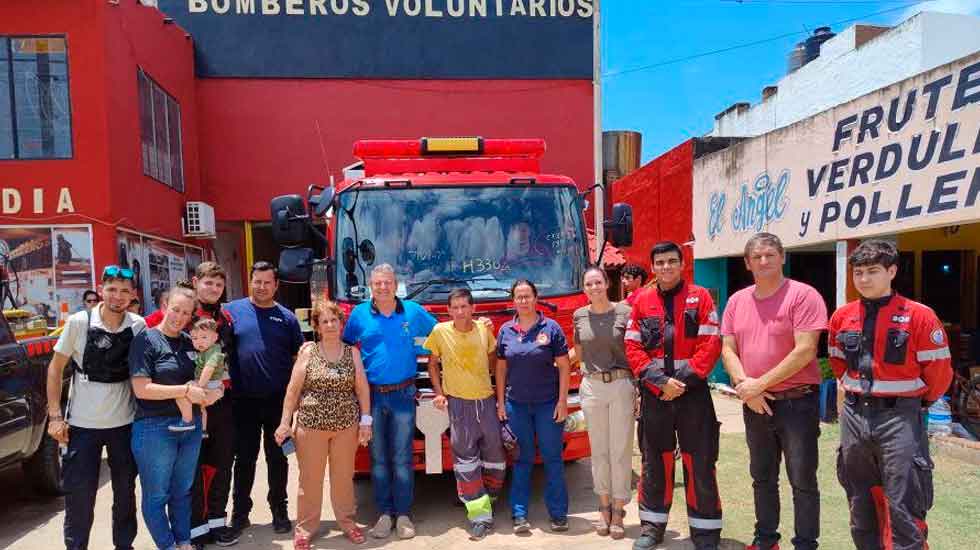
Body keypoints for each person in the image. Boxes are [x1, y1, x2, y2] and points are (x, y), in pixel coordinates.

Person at [828, 240, 952, 550]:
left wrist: (913, 402)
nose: (864, 279)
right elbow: (837, 361)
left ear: (892, 271)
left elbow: (938, 374)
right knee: (860, 502)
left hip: (900, 418)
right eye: (858, 272)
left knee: (905, 504)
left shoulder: (919, 316)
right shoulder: (842, 316)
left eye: (872, 271)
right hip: (855, 417)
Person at [720, 232, 827, 550]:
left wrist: (758, 385)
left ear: (782, 257)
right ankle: (766, 540)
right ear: (747, 263)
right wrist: (745, 388)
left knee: (802, 480)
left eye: (769, 255)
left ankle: (806, 543)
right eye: (757, 257)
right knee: (762, 477)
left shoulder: (803, 295)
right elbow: (727, 349)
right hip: (755, 404)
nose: (763, 261)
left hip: (797, 403)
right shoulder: (737, 301)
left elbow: (806, 350)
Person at [625, 242, 723, 550]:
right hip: (656, 394)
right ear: (652, 267)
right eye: (660, 263)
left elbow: (711, 344)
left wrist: (678, 383)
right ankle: (653, 527)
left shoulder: (701, 297)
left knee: (700, 460)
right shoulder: (641, 301)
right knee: (655, 460)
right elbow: (633, 347)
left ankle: (705, 531)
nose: (665, 267)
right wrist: (659, 383)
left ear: (682, 264)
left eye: (671, 261)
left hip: (692, 394)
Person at [45, 265, 145, 550]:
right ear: (101, 290)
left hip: (124, 425)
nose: (117, 296)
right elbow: (55, 370)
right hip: (83, 427)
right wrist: (55, 417)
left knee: (125, 495)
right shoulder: (79, 322)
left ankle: (124, 546)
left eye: (124, 291)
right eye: (111, 289)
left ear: (132, 295)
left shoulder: (137, 326)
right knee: (79, 497)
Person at [342, 263, 437, 540]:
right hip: (371, 396)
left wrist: (481, 325)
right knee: (378, 459)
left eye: (388, 283)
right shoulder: (359, 314)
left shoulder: (413, 311)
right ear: (370, 286)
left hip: (404, 395)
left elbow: (443, 332)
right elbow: (346, 348)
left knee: (402, 458)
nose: (383, 287)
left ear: (396, 285)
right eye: (378, 283)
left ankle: (404, 515)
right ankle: (384, 514)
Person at [275, 299, 373, 549]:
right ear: (317, 326)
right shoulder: (307, 352)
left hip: (346, 427)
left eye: (334, 320)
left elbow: (362, 389)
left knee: (343, 478)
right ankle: (305, 529)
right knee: (310, 480)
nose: (330, 325)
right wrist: (285, 423)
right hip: (311, 427)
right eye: (324, 321)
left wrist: (365, 421)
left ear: (341, 324)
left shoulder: (353, 352)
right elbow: (293, 390)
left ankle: (348, 523)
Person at [129, 285, 213, 550]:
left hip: (190, 427)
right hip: (155, 428)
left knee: (182, 491)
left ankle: (184, 541)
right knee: (156, 496)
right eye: (175, 309)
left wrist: (214, 390)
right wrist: (185, 390)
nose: (179, 317)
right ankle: (167, 545)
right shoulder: (145, 340)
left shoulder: (191, 342)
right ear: (164, 306)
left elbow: (208, 377)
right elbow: (141, 389)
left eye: (186, 313)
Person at [227, 261, 305, 536]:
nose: (261, 287)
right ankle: (240, 514)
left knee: (278, 459)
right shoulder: (231, 312)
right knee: (244, 458)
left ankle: (279, 511)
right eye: (256, 281)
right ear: (250, 281)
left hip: (277, 404)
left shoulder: (287, 319)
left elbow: (299, 361)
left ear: (276, 285)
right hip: (243, 401)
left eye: (267, 282)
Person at [424, 288, 506, 541]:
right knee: (466, 461)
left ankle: (485, 498)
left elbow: (495, 361)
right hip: (458, 405)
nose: (460, 312)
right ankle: (479, 516)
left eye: (464, 306)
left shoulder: (484, 330)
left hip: (486, 401)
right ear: (448, 311)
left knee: (496, 457)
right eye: (455, 307)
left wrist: (500, 398)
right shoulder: (440, 332)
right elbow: (432, 364)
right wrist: (439, 393)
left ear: (473, 308)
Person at [495, 279, 571, 533]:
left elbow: (564, 366)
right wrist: (501, 402)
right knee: (521, 459)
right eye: (519, 297)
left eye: (527, 296)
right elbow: (501, 368)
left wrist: (562, 401)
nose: (523, 301)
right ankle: (519, 515)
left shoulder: (551, 328)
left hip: (548, 405)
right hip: (516, 406)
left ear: (536, 298)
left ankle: (559, 514)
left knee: (553, 459)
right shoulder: (506, 330)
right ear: (513, 301)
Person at [571, 267, 634, 539]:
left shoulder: (625, 312)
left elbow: (634, 349)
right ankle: (603, 507)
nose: (594, 287)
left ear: (607, 283)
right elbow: (578, 352)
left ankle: (619, 509)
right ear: (583, 288)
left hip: (621, 384)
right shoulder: (579, 315)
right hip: (591, 386)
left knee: (620, 450)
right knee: (598, 451)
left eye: (598, 282)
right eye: (589, 283)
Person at [188, 262, 238, 548]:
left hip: (224, 402)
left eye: (218, 285)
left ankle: (218, 521)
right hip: (193, 403)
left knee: (221, 463)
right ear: (196, 282)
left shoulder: (226, 317)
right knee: (194, 466)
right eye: (208, 283)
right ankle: (196, 526)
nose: (214, 289)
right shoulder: (184, 315)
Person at [171, 318, 227, 437]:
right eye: (195, 338)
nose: (199, 342)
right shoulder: (206, 351)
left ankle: (187, 421)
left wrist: (199, 386)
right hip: (212, 383)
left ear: (215, 337)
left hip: (209, 383)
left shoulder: (214, 351)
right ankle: (203, 430)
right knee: (202, 407)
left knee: (180, 393)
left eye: (204, 337)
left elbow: (209, 369)